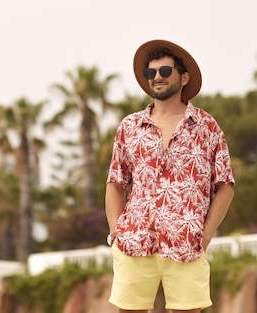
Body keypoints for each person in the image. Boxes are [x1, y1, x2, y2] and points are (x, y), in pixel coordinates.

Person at [104, 39, 235, 313]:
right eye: (151, 73)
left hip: (187, 243)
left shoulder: (206, 127)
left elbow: (225, 186)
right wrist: (117, 233)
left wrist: (205, 235)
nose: (157, 78)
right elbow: (116, 182)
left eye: (165, 71)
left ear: (183, 77)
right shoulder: (130, 127)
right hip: (134, 240)